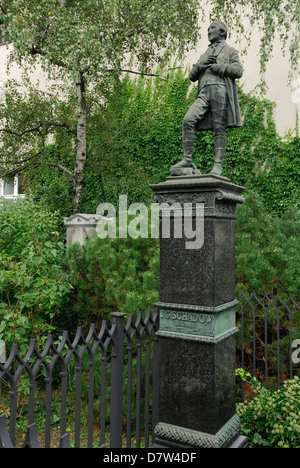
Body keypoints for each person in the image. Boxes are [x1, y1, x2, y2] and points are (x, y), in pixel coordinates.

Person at [170, 21, 243, 177]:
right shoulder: (204, 53)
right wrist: (200, 65)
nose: (209, 31)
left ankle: (217, 166)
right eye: (208, 29)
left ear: (222, 32)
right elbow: (191, 77)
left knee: (219, 128)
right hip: (203, 93)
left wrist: (221, 68)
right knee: (188, 120)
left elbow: (238, 71)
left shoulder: (229, 51)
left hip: (220, 91)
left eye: (212, 28)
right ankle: (187, 159)